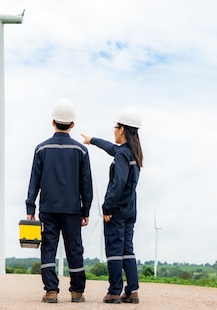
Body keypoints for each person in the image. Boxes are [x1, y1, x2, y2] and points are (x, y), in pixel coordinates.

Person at [25, 98, 93, 304]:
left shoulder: (41, 149)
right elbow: (86, 185)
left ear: (53, 122)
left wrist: (30, 208)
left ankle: (51, 291)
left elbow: (33, 181)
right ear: (73, 124)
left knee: (48, 248)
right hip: (72, 210)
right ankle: (77, 292)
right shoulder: (81, 151)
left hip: (48, 209)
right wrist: (86, 210)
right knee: (74, 249)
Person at [81, 107, 143, 304]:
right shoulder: (132, 152)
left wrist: (107, 208)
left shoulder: (123, 155)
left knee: (114, 251)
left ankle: (115, 291)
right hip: (130, 210)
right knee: (127, 250)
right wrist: (93, 140)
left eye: (115, 127)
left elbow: (118, 183)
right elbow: (112, 148)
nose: (114, 130)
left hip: (116, 211)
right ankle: (132, 291)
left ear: (122, 129)